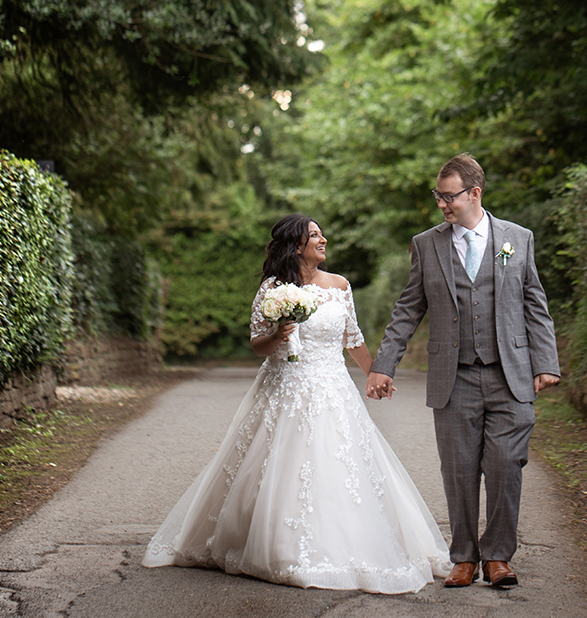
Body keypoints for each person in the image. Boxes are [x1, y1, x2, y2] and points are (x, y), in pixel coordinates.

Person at [143, 214, 451, 592]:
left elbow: (351, 338)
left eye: (322, 234)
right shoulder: (274, 289)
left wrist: (376, 373)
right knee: (272, 466)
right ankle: (270, 543)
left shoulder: (340, 286)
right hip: (284, 386)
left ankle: (345, 541)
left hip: (332, 387)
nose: (323, 240)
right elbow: (258, 344)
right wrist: (279, 333)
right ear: (296, 246)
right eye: (314, 235)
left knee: (341, 464)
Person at [366, 154, 561, 590]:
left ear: (475, 193)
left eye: (449, 196)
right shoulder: (427, 243)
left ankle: (497, 557)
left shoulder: (518, 238)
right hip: (453, 379)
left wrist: (546, 363)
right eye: (438, 197)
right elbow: (408, 309)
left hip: (510, 375)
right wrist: (384, 365)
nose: (442, 205)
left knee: (506, 466)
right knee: (458, 470)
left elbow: (535, 304)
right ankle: (464, 557)